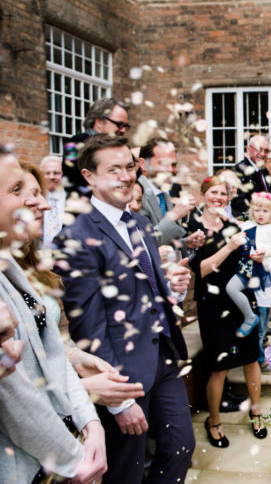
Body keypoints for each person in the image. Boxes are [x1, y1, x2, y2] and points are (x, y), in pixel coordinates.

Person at [54, 134, 195, 484]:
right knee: (125, 472)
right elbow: (87, 326)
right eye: (113, 169)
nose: (126, 176)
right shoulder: (76, 236)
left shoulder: (140, 223)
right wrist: (117, 401)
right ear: (89, 176)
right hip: (122, 371)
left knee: (181, 446)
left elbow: (144, 290)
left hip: (163, 356)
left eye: (129, 167)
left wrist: (172, 287)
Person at [0, 151, 107, 484]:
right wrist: (75, 460)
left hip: (55, 444)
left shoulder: (11, 267)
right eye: (17, 189)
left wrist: (91, 424)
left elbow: (52, 352)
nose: (43, 205)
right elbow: (13, 397)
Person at [187, 176, 268, 447]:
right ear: (203, 194)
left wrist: (255, 257)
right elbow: (201, 269)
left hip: (241, 301)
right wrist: (229, 246)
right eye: (214, 192)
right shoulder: (194, 229)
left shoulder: (233, 225)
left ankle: (256, 412)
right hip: (213, 304)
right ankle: (214, 421)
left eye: (223, 193)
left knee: (251, 358)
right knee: (219, 366)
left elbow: (244, 261)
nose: (218, 197)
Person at [226, 192, 271, 348]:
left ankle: (260, 347)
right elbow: (238, 236)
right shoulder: (247, 225)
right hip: (245, 269)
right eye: (257, 210)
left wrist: (265, 251)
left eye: (265, 211)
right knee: (231, 288)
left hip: (263, 273)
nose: (261, 214)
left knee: (263, 307)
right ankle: (249, 317)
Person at [137, 137, 200, 248]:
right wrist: (174, 215)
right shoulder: (135, 195)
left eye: (174, 165)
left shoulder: (166, 194)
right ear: (143, 164)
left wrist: (184, 243)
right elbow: (143, 244)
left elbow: (165, 240)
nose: (170, 170)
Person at [62, 97, 130, 199]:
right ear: (99, 122)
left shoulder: (121, 148)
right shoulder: (76, 143)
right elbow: (74, 182)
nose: (123, 130)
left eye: (126, 126)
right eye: (119, 124)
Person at [232, 134, 271, 220]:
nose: (262, 154)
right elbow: (237, 201)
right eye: (259, 149)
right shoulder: (239, 170)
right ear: (248, 149)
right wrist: (261, 214)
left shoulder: (264, 170)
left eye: (266, 151)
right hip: (248, 221)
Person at [41, 155, 66, 246]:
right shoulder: (35, 199)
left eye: (56, 173)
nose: (51, 177)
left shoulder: (73, 199)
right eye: (47, 173)